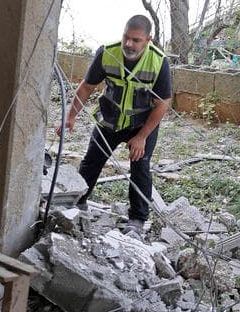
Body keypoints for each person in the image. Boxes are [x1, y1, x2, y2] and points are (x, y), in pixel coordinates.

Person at [58, 15, 172, 234]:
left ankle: (137, 220)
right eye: (126, 38)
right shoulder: (108, 53)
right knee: (92, 161)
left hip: (141, 124)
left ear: (148, 39)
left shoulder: (159, 62)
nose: (129, 44)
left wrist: (141, 137)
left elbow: (163, 104)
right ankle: (78, 202)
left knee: (140, 167)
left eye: (136, 40)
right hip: (109, 120)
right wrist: (70, 117)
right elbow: (86, 87)